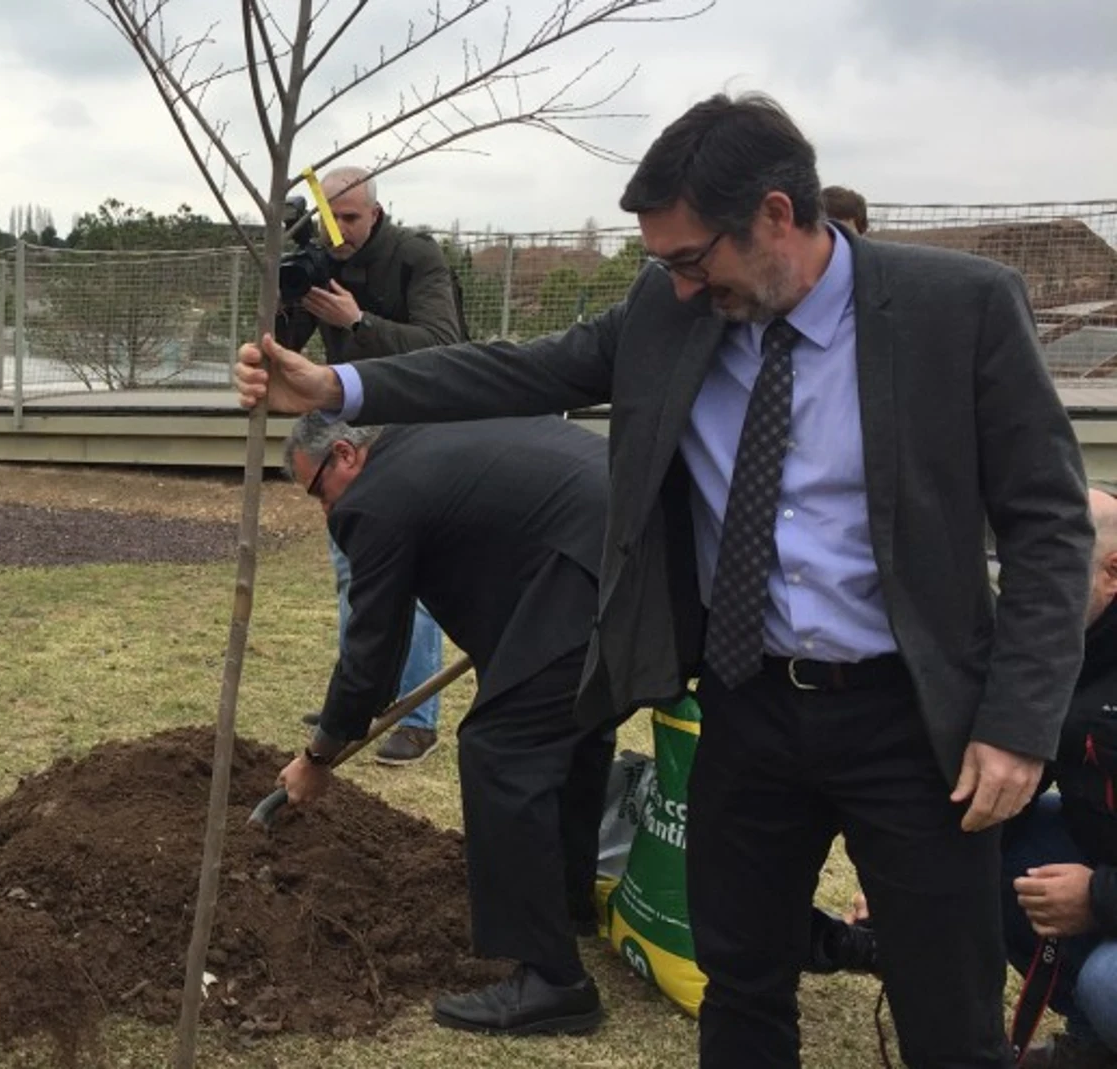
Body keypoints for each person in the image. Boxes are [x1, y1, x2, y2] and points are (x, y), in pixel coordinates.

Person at [236, 91, 1092, 1068]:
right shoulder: (669, 307)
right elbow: (525, 369)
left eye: (692, 259)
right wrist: (341, 386)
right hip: (748, 707)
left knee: (949, 1018)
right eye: (663, 266)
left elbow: (1049, 522)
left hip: (913, 720)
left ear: (777, 215)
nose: (679, 288)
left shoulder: (958, 308)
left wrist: (1019, 722)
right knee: (741, 985)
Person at [278, 411, 618, 1033]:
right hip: (618, 548)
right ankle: (568, 908)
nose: (325, 512)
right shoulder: (424, 443)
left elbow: (373, 649)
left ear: (347, 456)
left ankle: (553, 982)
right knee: (572, 734)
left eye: (317, 491)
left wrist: (319, 756)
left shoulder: (375, 498)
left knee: (502, 750)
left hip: (585, 564)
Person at [279, 166, 465, 764]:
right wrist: (281, 282)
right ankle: (357, 702)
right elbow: (284, 341)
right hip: (351, 426)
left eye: (351, 219)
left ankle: (415, 716)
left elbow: (445, 345)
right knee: (350, 564)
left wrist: (358, 323)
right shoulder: (321, 259)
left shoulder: (416, 257)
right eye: (329, 222)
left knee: (411, 574)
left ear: (375, 213)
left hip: (419, 426)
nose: (340, 234)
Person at [1002, 486, 1117, 1068]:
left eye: (1049, 567)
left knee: (1108, 982)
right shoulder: (1070, 648)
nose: (1025, 589)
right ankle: (1098, 1043)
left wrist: (1099, 896)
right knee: (1002, 850)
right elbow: (1015, 781)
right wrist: (910, 872)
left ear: (1112, 572)